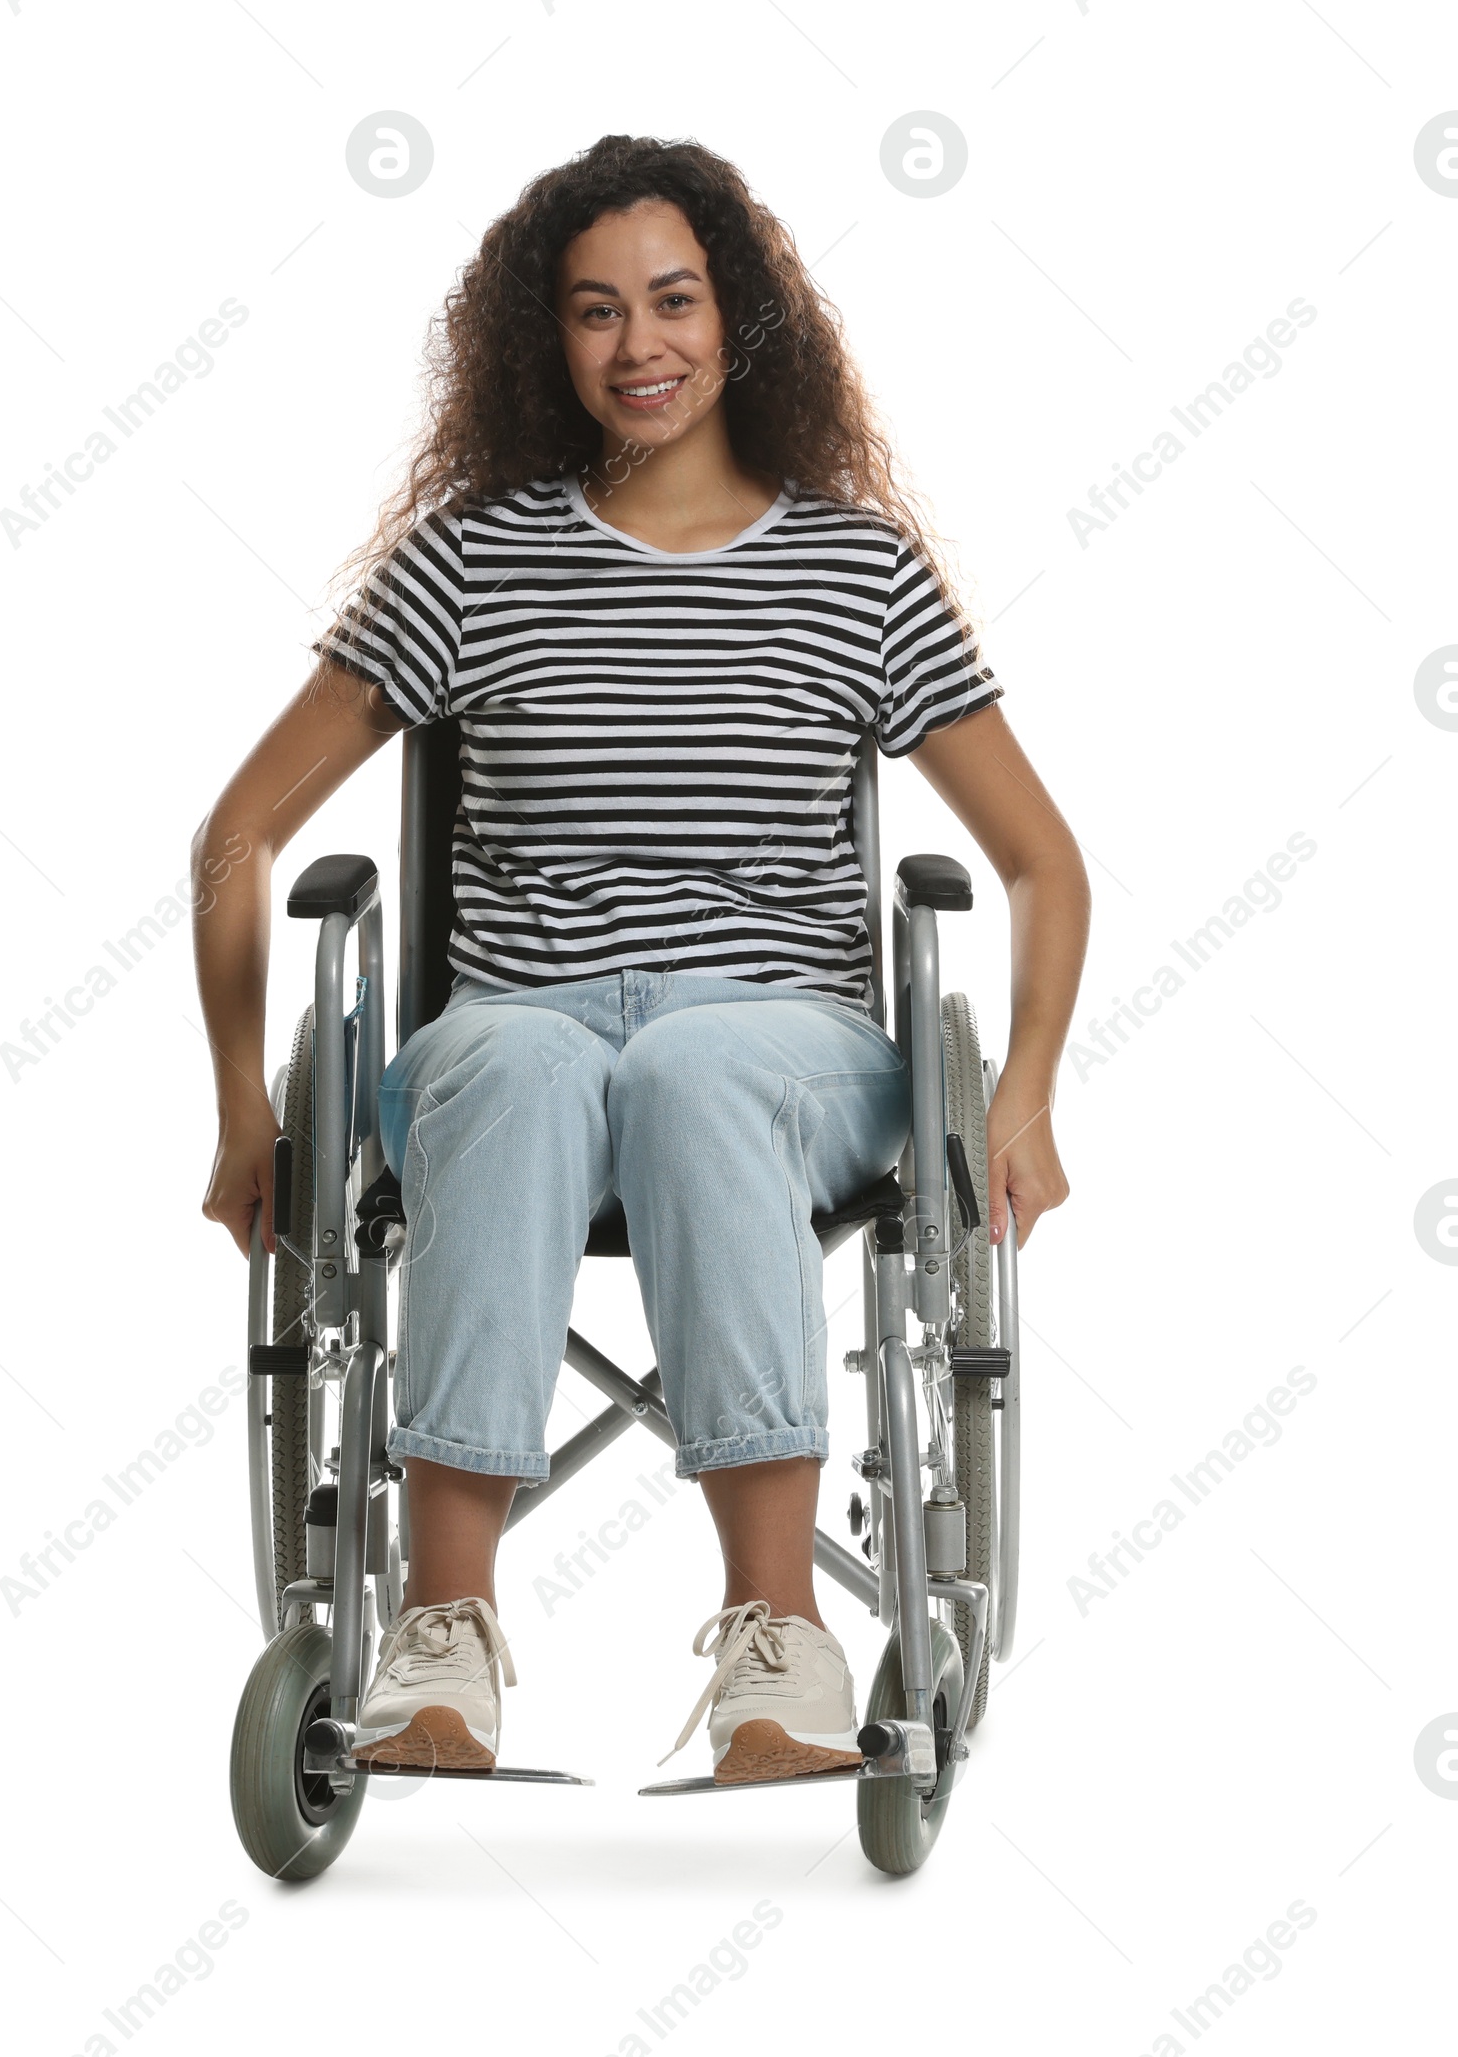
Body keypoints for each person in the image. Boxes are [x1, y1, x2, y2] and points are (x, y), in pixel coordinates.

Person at [193, 134, 1090, 1785]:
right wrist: (248, 1111)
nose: (639, 346)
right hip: (518, 1022)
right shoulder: (470, 561)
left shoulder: (856, 568)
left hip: (784, 1040)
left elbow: (1042, 859)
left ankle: (782, 1643)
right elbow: (239, 834)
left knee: (692, 1063)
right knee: (519, 1063)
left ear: (737, 316)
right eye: (596, 313)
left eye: (673, 301)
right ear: (549, 345)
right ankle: (439, 1633)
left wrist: (1022, 1091)